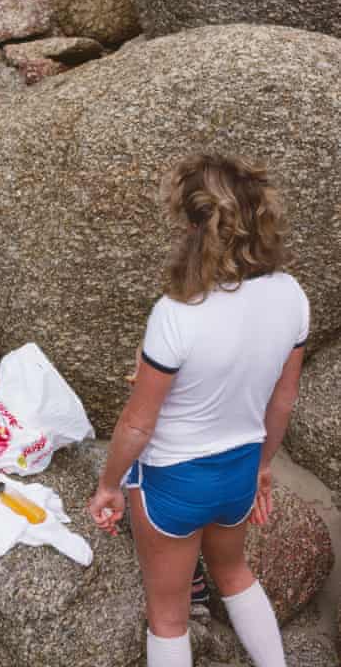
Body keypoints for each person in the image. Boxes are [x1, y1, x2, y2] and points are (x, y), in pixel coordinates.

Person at [88, 153, 307, 667]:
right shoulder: (291, 295)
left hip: (174, 482)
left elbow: (139, 422)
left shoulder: (176, 313)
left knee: (168, 614)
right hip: (238, 471)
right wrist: (264, 465)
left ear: (191, 226)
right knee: (235, 575)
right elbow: (282, 398)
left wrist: (109, 484)